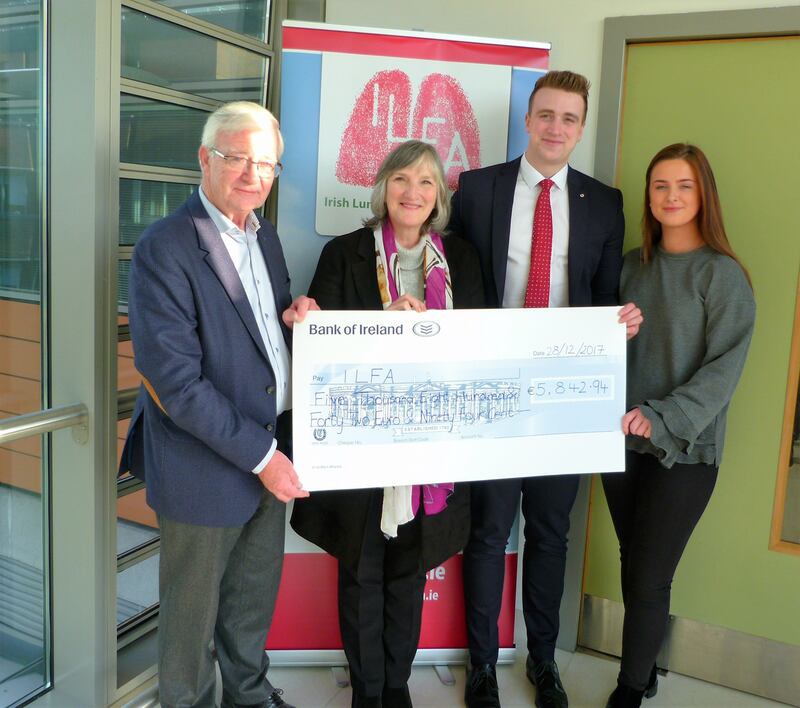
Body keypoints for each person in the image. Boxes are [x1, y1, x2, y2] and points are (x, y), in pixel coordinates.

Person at [448, 70, 642, 708]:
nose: (556, 128)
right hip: (493, 385)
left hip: (567, 392)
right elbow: (454, 274)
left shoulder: (604, 202)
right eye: (546, 115)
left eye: (569, 118)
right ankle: (481, 665)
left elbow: (606, 294)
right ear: (528, 120)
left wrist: (623, 321)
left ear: (581, 128)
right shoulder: (478, 189)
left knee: (551, 533)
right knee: (488, 528)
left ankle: (543, 661)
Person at [120, 101, 317, 708]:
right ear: (205, 159)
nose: (252, 175)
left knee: (251, 600)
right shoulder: (166, 247)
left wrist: (298, 322)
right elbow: (174, 381)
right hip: (206, 464)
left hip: (269, 448)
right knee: (191, 620)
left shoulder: (267, 237)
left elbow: (259, 341)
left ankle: (250, 695)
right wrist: (264, 457)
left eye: (266, 164)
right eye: (237, 159)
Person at [290, 140, 484, 708]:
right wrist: (382, 324)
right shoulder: (344, 253)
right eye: (402, 179)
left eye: (426, 183)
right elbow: (319, 346)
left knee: (409, 570)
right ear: (383, 187)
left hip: (431, 448)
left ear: (440, 196)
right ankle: (366, 690)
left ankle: (395, 687)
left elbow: (479, 349)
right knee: (361, 571)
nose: (413, 193)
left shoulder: (463, 261)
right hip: (358, 443)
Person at [602, 143, 755, 708]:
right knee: (633, 563)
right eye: (660, 185)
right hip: (621, 443)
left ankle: (630, 688)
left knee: (649, 575)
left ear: (703, 194)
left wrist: (662, 415)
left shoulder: (723, 275)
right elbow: (593, 350)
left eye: (684, 185)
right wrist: (613, 336)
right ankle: (647, 669)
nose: (670, 196)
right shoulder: (627, 267)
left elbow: (723, 371)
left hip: (684, 450)